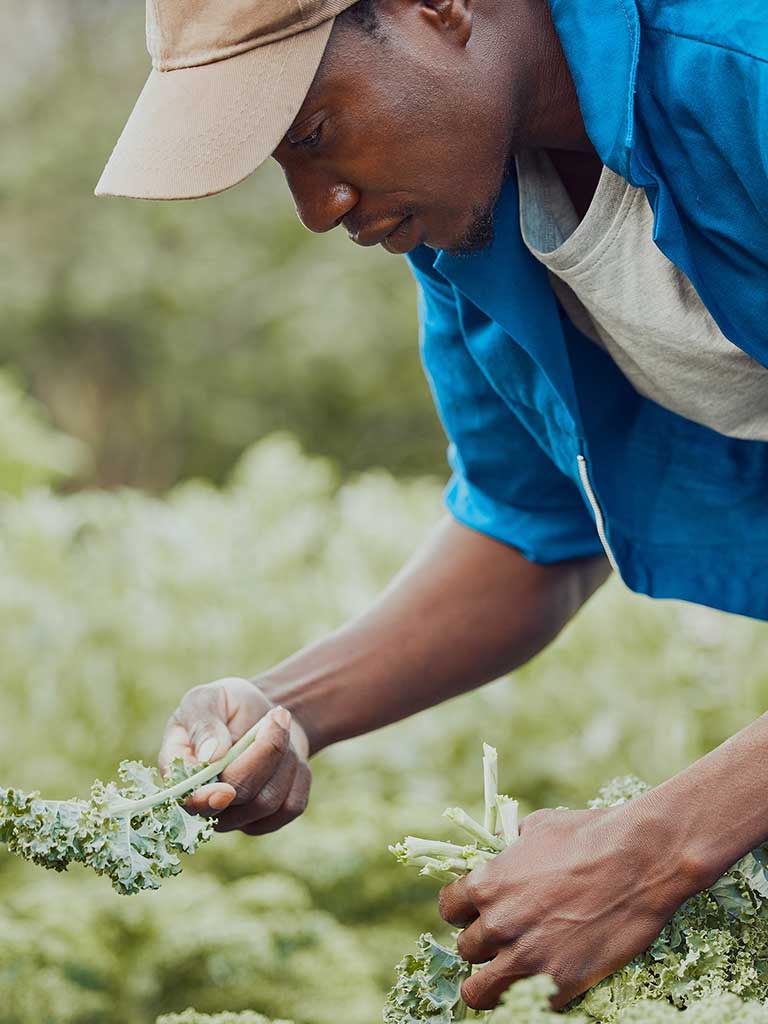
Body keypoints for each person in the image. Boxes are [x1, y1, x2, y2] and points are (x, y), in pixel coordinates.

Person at [96, 0, 768, 1010]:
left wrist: (664, 841)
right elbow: (531, 529)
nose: (319, 207)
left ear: (436, 9)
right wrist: (286, 708)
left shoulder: (741, 72)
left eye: (315, 134)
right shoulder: (472, 214)